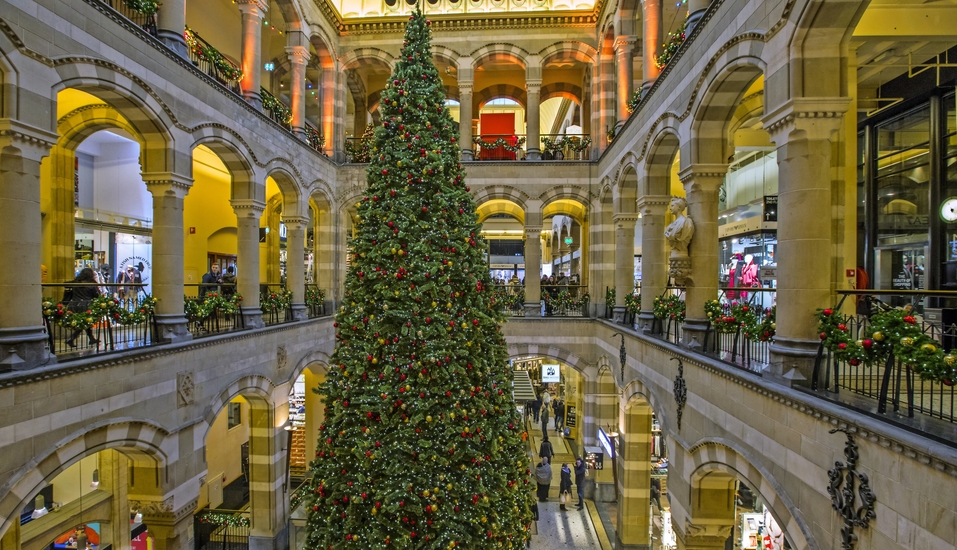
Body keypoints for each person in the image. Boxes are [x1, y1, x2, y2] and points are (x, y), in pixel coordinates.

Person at [65, 267, 101, 348]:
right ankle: (71, 338)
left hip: (74, 304)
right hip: (86, 305)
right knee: (84, 322)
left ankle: (91, 338)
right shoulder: (91, 283)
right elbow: (97, 295)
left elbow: (65, 284)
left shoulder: (76, 282)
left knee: (84, 322)